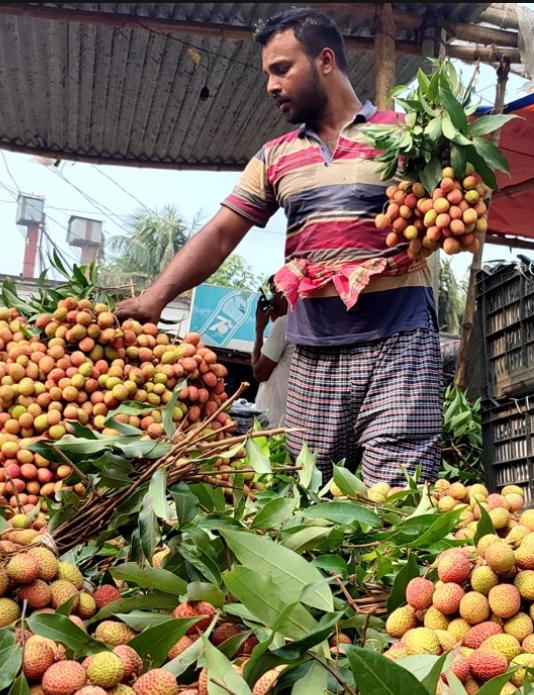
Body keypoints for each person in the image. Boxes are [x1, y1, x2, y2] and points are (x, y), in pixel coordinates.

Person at [115, 8, 441, 485]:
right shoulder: (274, 157)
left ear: (325, 60)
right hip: (311, 351)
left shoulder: (405, 135)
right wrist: (153, 299)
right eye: (268, 72)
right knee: (308, 495)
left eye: (282, 69)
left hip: (400, 344)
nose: (270, 85)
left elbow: (452, 208)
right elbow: (222, 232)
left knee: (397, 498)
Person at [252, 276, 293, 427]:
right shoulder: (297, 324)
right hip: (286, 422)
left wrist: (259, 329)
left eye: (273, 293)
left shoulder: (284, 324)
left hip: (272, 423)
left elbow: (259, 372)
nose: (272, 300)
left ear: (285, 294)